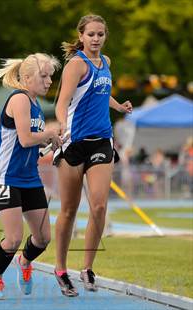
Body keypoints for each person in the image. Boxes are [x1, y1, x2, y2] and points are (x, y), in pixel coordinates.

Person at [54, 14, 132, 297]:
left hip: (102, 140)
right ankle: (61, 269)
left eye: (100, 34)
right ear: (81, 36)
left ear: (105, 36)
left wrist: (118, 107)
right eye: (91, 34)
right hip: (74, 143)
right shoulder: (76, 65)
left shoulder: (106, 62)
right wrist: (62, 124)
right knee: (69, 210)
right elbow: (63, 102)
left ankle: (87, 267)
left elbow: (101, 92)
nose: (96, 39)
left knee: (99, 206)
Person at [0, 53, 61, 299]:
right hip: (6, 177)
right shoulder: (19, 99)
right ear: (26, 78)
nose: (49, 81)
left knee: (43, 238)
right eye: (44, 76)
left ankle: (25, 262)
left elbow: (32, 147)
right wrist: (49, 132)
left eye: (51, 75)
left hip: (29, 177)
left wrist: (52, 143)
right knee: (13, 237)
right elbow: (25, 138)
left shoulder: (36, 104)